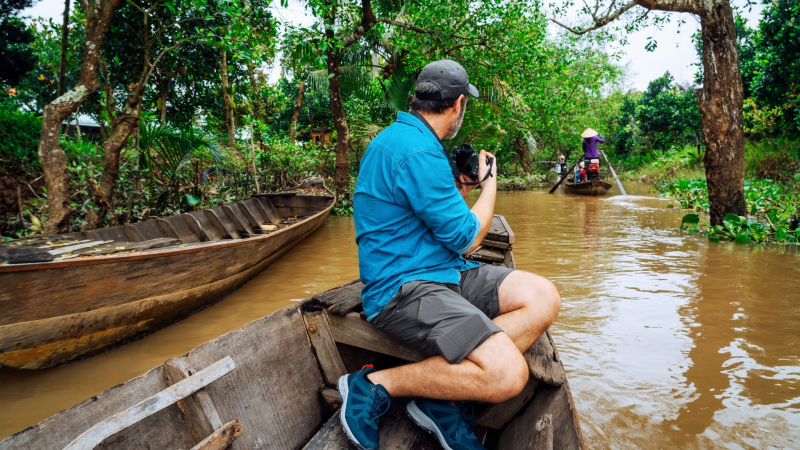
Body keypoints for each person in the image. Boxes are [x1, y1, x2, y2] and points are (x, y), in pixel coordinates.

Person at [340, 59, 561, 450]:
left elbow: (445, 224)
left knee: (542, 296)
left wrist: (462, 184)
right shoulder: (416, 151)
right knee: (508, 376)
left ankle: (443, 394)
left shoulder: (415, 142)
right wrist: (490, 183)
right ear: (458, 104)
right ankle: (374, 384)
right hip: (404, 288)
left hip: (443, 272)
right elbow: (467, 237)